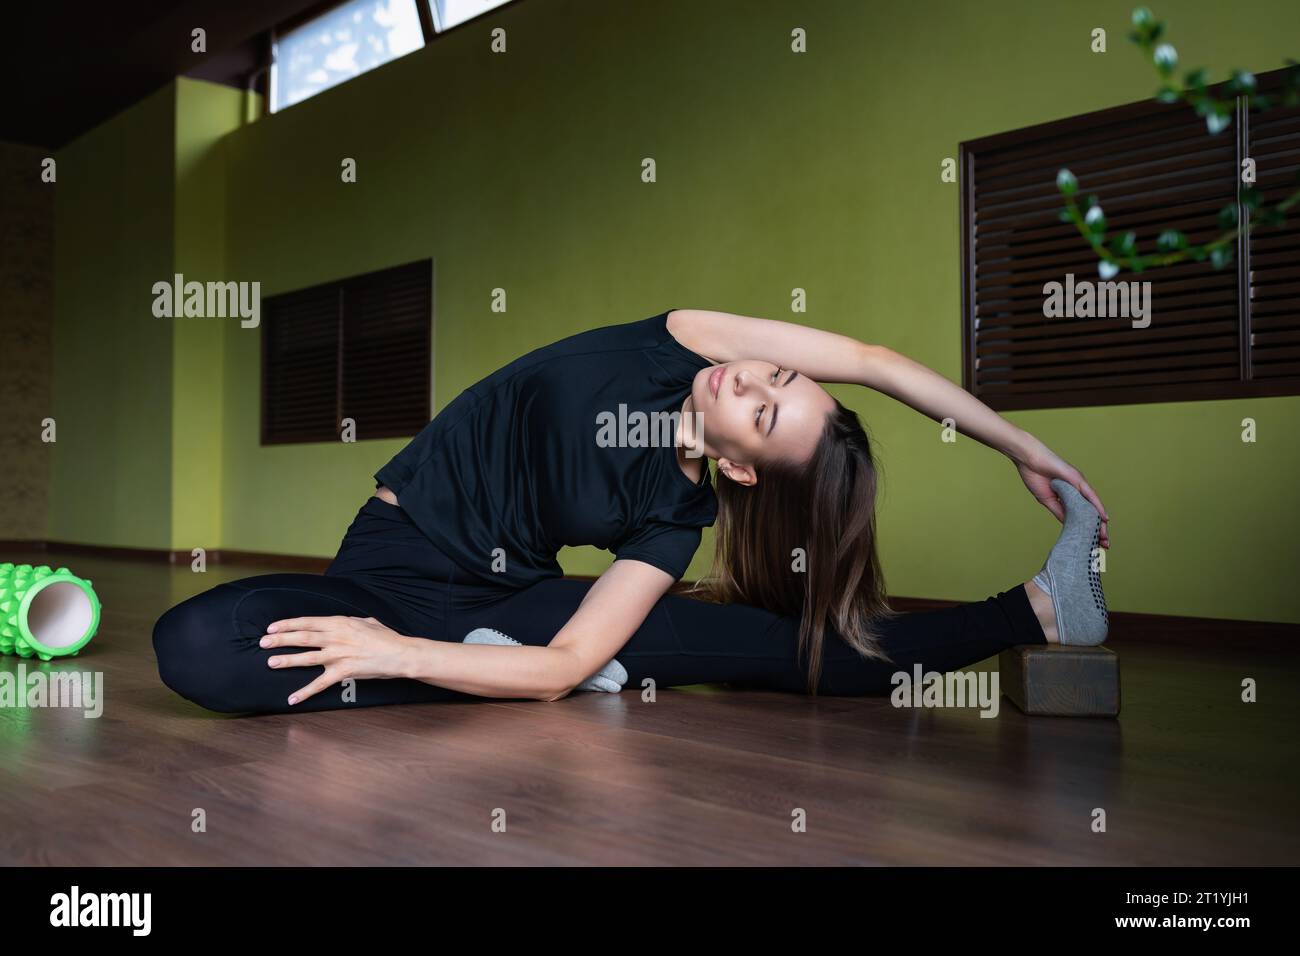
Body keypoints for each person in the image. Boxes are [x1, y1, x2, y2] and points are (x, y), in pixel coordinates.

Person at [152, 308, 1111, 714]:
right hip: (386, 564)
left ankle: (1035, 609)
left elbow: (570, 660)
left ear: (742, 470)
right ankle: (479, 674)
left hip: (506, 612)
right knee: (191, 642)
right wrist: (1022, 446)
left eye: (764, 410)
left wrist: (392, 656)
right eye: (775, 377)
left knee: (779, 648)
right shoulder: (676, 342)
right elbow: (871, 361)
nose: (750, 380)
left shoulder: (672, 523)